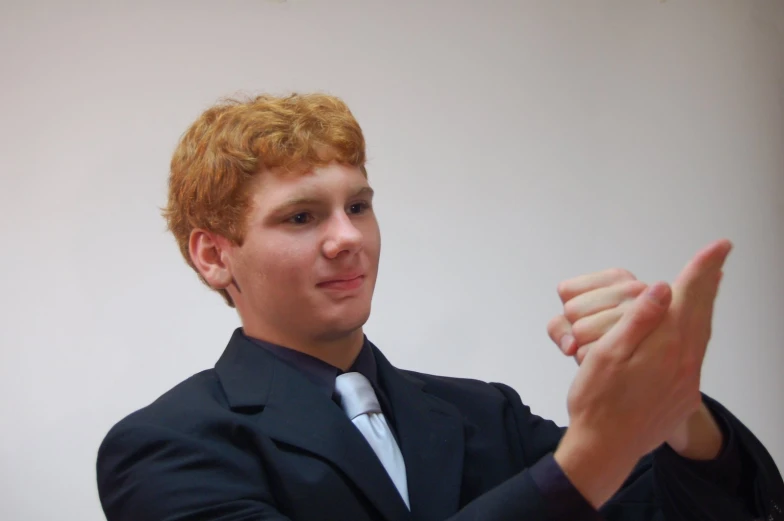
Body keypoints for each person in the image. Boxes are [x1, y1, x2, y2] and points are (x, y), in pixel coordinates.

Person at [96, 93, 784, 521]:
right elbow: (582, 476)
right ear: (214, 255)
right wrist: (585, 462)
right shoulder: (163, 446)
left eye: (359, 206)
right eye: (302, 216)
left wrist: (675, 406)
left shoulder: (486, 414)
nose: (348, 238)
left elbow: (697, 508)